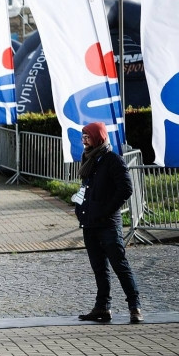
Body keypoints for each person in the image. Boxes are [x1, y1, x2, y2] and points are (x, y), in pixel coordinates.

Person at [74, 122, 142, 324]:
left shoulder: (113, 160)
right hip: (90, 222)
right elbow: (85, 188)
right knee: (99, 268)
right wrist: (79, 208)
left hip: (108, 224)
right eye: (83, 137)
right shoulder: (88, 159)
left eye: (88, 137)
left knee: (120, 265)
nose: (85, 141)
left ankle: (134, 306)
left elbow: (125, 189)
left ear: (99, 137)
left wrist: (105, 211)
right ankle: (102, 307)